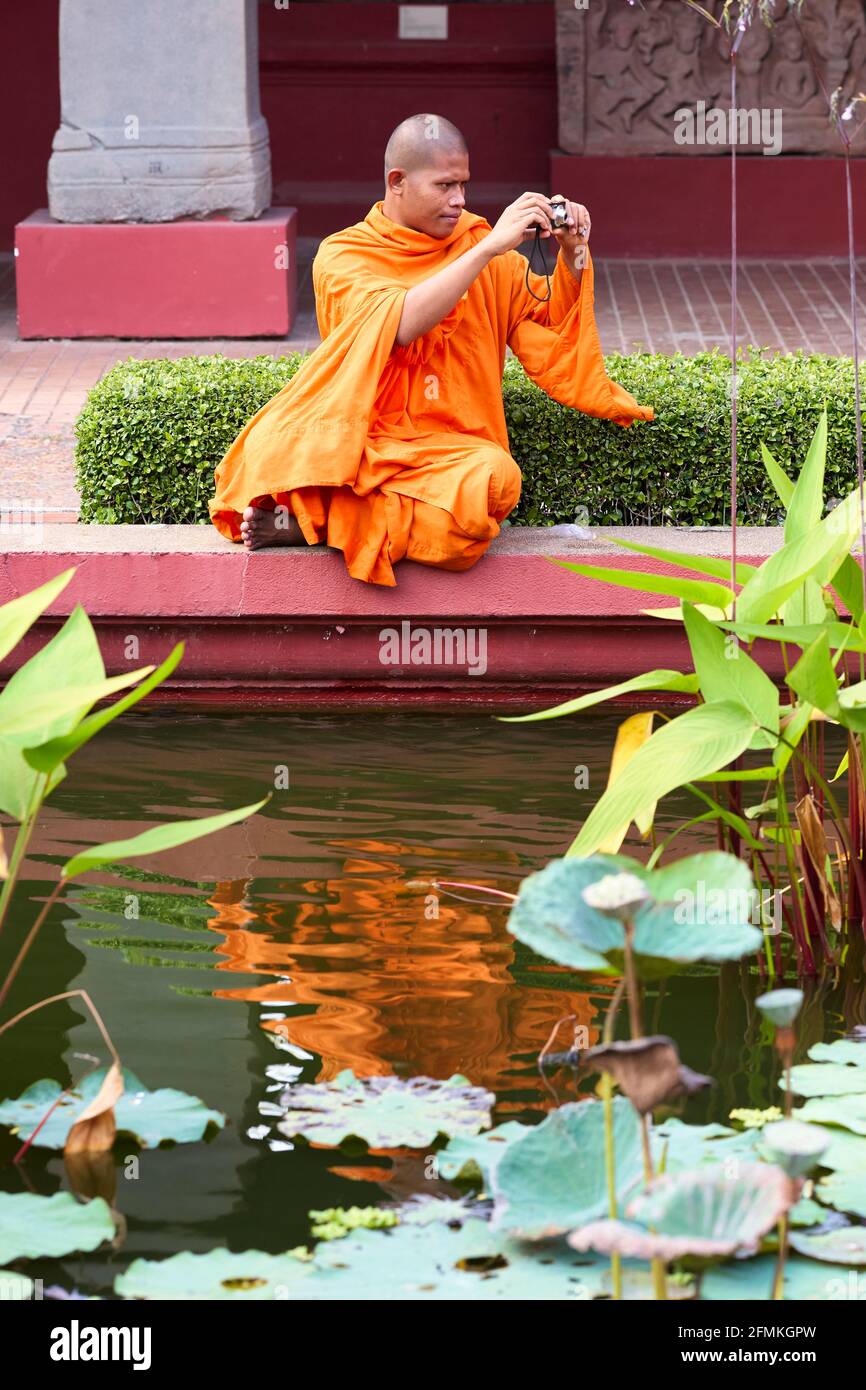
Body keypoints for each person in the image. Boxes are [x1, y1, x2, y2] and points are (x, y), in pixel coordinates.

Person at [209, 113, 654, 587]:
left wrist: (573, 252)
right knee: (272, 455)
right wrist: (486, 251)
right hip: (367, 441)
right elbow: (398, 322)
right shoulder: (344, 254)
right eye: (444, 185)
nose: (459, 200)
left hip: (451, 452)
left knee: (493, 482)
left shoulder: (481, 248)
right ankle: (331, 512)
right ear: (396, 182)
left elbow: (550, 326)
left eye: (463, 184)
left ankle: (322, 521)